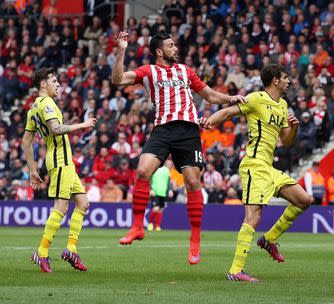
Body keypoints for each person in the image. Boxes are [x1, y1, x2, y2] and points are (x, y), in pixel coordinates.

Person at [112, 30, 245, 265]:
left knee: (193, 183)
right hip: (163, 128)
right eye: (171, 45)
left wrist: (230, 98)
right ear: (160, 51)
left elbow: (210, 95)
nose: (176, 49)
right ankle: (137, 226)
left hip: (188, 130)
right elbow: (118, 79)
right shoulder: (148, 71)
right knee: (143, 171)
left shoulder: (186, 71)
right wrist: (121, 50)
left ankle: (195, 241)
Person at [200, 64, 313, 282]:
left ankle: (269, 240)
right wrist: (209, 122)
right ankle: (235, 270)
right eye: (285, 77)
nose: (289, 81)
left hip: (269, 168)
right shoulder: (256, 98)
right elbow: (227, 112)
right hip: (253, 165)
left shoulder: (282, 105)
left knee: (304, 200)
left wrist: (295, 127)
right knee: (254, 216)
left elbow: (286, 141)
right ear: (275, 81)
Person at [22, 67, 97, 272]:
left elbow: (26, 142)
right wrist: (82, 125)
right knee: (61, 207)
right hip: (60, 159)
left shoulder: (33, 108)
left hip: (63, 162)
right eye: (54, 81)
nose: (58, 84)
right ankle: (42, 252)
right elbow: (56, 129)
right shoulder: (47, 104)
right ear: (43, 84)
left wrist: (32, 169)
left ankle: (71, 249)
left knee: (83, 202)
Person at [148, 164, 171, 232]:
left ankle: (157, 226)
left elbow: (168, 181)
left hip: (163, 192)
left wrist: (170, 190)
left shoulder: (167, 170)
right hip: (155, 192)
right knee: (155, 209)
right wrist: (150, 189)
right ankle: (150, 223)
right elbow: (149, 179)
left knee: (160, 209)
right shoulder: (154, 168)